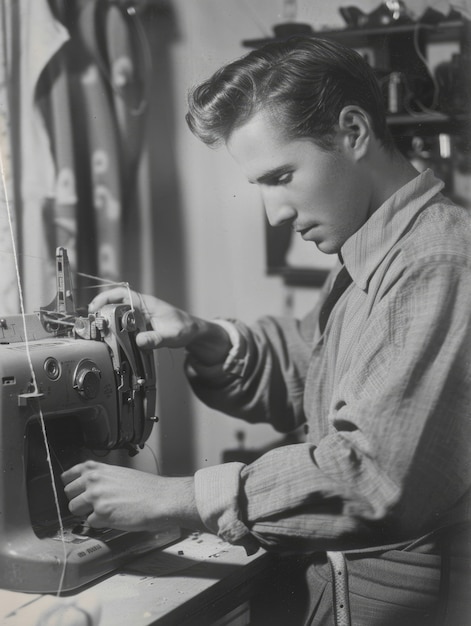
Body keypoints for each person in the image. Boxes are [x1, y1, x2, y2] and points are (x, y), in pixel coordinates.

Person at [61, 37, 471, 625]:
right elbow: (308, 367)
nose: (275, 214)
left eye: (281, 176)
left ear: (353, 131)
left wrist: (176, 497)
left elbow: (377, 476)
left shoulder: (438, 262)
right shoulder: (375, 258)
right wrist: (202, 334)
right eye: (261, 185)